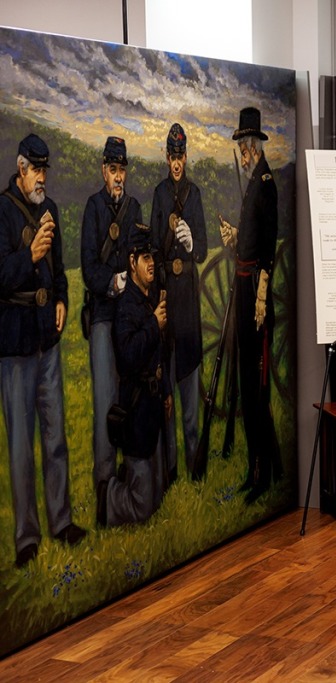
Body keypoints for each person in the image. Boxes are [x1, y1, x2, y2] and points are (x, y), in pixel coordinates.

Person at [0, 133, 86, 567]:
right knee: (20, 446)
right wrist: (29, 255)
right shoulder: (1, 211)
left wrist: (63, 300)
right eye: (36, 170)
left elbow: (61, 271)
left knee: (55, 438)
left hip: (46, 341)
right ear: (21, 169)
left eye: (45, 170)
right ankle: (26, 540)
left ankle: (62, 521)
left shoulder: (50, 209)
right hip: (15, 345)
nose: (42, 178)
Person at [218, 107, 282, 504]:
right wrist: (235, 238)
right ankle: (267, 467)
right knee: (246, 384)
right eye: (241, 147)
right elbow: (253, 240)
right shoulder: (252, 184)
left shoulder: (266, 183)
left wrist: (260, 295)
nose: (243, 153)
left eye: (245, 146)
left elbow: (269, 249)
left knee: (256, 390)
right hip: (242, 289)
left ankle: (260, 473)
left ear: (256, 146)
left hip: (254, 297)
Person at [81, 136, 141, 501]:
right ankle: (104, 483)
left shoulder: (133, 208)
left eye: (122, 170)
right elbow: (88, 268)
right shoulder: (93, 208)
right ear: (104, 170)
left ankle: (128, 471)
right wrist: (114, 282)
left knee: (128, 396)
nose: (118, 177)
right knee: (105, 399)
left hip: (129, 317)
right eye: (113, 170)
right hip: (104, 315)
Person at [98, 223, 170, 527]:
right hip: (136, 412)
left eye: (152, 256)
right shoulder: (127, 306)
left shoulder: (149, 297)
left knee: (155, 501)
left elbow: (159, 354)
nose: (151, 262)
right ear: (132, 262)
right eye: (144, 257)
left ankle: (130, 485)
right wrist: (153, 325)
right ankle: (108, 496)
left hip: (151, 411)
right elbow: (127, 358)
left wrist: (166, 390)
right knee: (142, 511)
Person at [150, 123, 207, 482]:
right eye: (171, 156)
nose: (176, 162)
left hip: (187, 296)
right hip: (168, 294)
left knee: (189, 388)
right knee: (166, 386)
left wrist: (189, 244)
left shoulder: (195, 194)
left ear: (186, 157)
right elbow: (154, 248)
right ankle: (170, 470)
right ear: (167, 157)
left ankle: (193, 466)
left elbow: (201, 250)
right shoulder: (158, 194)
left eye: (180, 156)